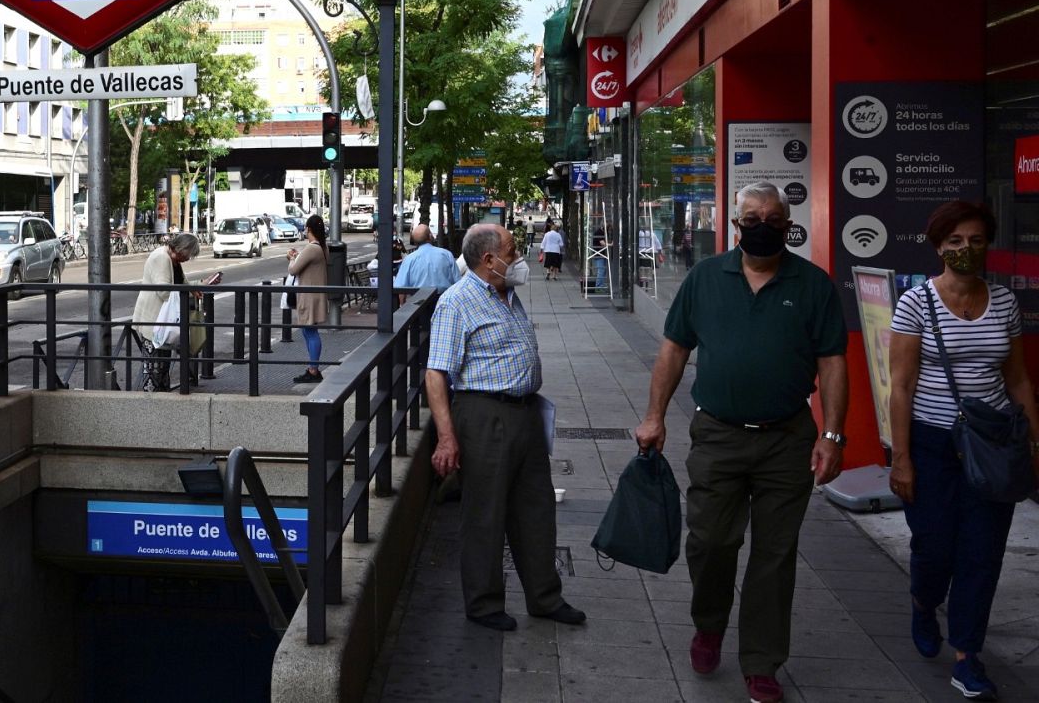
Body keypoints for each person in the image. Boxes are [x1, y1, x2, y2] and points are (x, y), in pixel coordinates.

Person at [636, 181, 848, 703]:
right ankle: (709, 624)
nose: (761, 226)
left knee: (774, 556)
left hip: (786, 438)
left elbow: (833, 363)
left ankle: (761, 661)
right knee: (709, 542)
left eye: (772, 219)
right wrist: (654, 417)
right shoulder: (705, 278)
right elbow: (673, 351)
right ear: (734, 225)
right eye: (751, 218)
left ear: (788, 223)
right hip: (718, 435)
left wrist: (832, 435)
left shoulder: (813, 284)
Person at [886, 200, 1039, 701]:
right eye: (954, 241)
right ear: (938, 247)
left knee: (982, 553)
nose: (965, 249)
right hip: (932, 444)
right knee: (934, 547)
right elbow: (902, 385)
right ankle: (923, 600)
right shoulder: (916, 303)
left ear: (987, 244)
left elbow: (1016, 378)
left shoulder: (1003, 301)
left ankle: (967, 655)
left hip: (991, 443)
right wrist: (901, 458)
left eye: (975, 240)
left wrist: (1033, 442)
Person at [426, 224, 584, 632]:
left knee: (536, 507)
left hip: (524, 413)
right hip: (483, 414)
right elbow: (436, 373)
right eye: (512, 251)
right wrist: (446, 438)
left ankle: (545, 597)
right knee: (485, 512)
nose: (519, 258)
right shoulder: (456, 302)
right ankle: (483, 603)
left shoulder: (506, 295)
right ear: (489, 260)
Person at [132, 232, 201, 392]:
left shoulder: (173, 259)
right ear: (181, 249)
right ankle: (151, 403)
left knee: (162, 367)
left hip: (163, 321)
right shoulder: (162, 258)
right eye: (188, 255)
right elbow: (163, 291)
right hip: (154, 321)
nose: (188, 259)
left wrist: (197, 286)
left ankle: (162, 400)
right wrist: (184, 293)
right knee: (154, 368)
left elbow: (182, 282)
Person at [287, 215, 329, 383]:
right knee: (309, 331)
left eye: (305, 228)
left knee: (310, 332)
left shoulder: (312, 248)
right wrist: (298, 256)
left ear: (309, 229)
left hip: (309, 296)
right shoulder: (323, 247)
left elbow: (293, 269)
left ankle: (313, 370)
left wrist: (291, 258)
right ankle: (314, 367)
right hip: (317, 295)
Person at [394, 224, 461, 290]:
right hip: (443, 298)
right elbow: (458, 282)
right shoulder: (446, 254)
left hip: (418, 299)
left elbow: (400, 288)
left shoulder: (409, 260)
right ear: (430, 236)